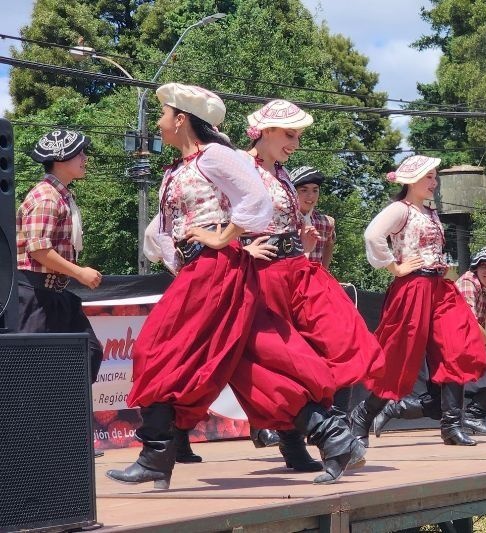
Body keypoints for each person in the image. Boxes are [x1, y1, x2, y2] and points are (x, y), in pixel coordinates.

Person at [106, 84, 363, 489]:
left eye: (163, 115)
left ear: (181, 119)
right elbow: (163, 231)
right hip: (204, 272)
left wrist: (221, 238)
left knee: (156, 350)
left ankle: (157, 454)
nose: (158, 123)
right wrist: (181, 255)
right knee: (252, 364)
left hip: (218, 272)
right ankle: (332, 435)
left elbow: (256, 201)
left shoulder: (215, 155)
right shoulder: (180, 167)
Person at [238, 99, 381, 470]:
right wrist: (241, 246)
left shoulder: (283, 173)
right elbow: (213, 211)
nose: (295, 143)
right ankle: (298, 445)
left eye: (298, 136)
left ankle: (323, 432)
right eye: (289, 134)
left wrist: (299, 238)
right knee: (288, 360)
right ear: (265, 131)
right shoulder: (237, 166)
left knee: (340, 335)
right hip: (265, 275)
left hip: (297, 269)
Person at [350, 155, 486, 447]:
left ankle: (452, 426)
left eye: (434, 177)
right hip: (412, 287)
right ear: (412, 180)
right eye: (429, 177)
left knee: (456, 347)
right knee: (400, 354)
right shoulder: (400, 209)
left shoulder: (429, 212)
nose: (434, 182)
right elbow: (373, 235)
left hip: (438, 287)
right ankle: (364, 414)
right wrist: (395, 267)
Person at [372, 245, 486, 436]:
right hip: (449, 349)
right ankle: (395, 409)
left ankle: (471, 416)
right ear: (475, 268)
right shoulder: (469, 283)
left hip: (464, 349)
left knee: (442, 404)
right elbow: (470, 324)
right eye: (483, 266)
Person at [16, 130, 105, 456]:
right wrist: (79, 272)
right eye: (80, 154)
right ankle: (31, 444)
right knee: (31, 373)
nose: (85, 159)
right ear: (61, 159)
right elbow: (39, 250)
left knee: (88, 354)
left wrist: (75, 273)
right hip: (35, 297)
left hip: (55, 296)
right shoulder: (46, 196)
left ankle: (67, 434)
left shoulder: (62, 194)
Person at [289, 166, 336, 268]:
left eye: (315, 190)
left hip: (313, 281)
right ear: (293, 192)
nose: (311, 196)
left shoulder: (326, 222)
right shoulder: (284, 219)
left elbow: (329, 244)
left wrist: (324, 271)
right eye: (304, 190)